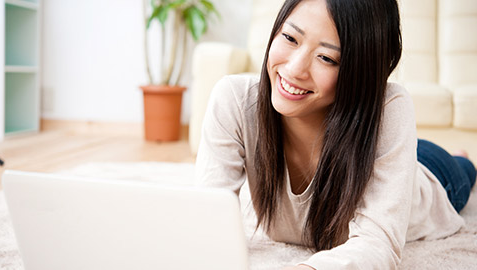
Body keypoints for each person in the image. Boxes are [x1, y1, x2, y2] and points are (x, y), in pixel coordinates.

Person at [195, 0, 477, 269]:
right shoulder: (234, 99)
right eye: (291, 38)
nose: (294, 69)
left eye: (327, 58)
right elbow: (208, 219)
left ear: (360, 70)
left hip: (431, 173)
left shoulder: (389, 108)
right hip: (394, 154)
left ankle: (460, 158)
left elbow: (378, 244)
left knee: (462, 169)